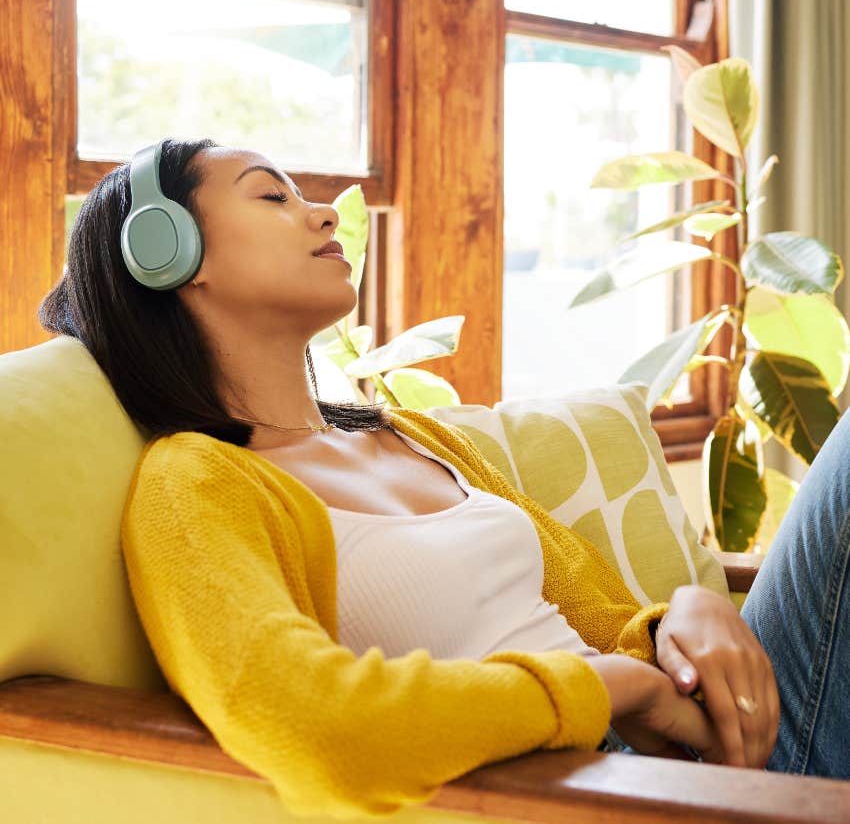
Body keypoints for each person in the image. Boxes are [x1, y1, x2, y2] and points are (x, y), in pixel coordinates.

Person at [36, 138, 847, 818]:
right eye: (270, 198)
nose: (322, 213)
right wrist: (616, 691)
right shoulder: (197, 484)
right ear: (165, 253)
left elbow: (601, 617)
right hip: (591, 788)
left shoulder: (411, 435)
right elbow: (319, 728)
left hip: (693, 753)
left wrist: (688, 614)